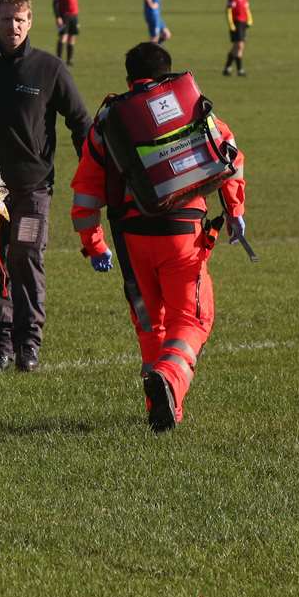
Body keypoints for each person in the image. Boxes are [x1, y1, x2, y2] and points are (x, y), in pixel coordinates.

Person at [69, 41, 247, 432]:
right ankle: (169, 377)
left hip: (133, 239)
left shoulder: (109, 120)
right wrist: (235, 210)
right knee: (193, 319)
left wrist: (94, 243)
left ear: (129, 78)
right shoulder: (189, 105)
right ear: (168, 73)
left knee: (152, 325)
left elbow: (86, 192)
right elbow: (230, 155)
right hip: (183, 233)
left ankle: (164, 408)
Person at [0, 0, 90, 372]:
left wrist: (93, 168)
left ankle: (29, 348)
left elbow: (80, 121)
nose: (14, 27)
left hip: (32, 189)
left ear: (31, 22)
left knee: (25, 259)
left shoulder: (49, 69)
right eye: (7, 19)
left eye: (21, 20)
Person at [51, 0, 84, 66]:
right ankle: (59, 60)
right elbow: (55, 4)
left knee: (72, 37)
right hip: (64, 16)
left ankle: (69, 60)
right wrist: (58, 17)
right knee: (63, 37)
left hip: (74, 15)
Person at [223, 0, 253, 77]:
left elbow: (246, 8)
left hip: (244, 22)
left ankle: (227, 68)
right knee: (239, 45)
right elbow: (229, 9)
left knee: (237, 46)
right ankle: (240, 70)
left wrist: (249, 19)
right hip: (236, 22)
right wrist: (231, 24)